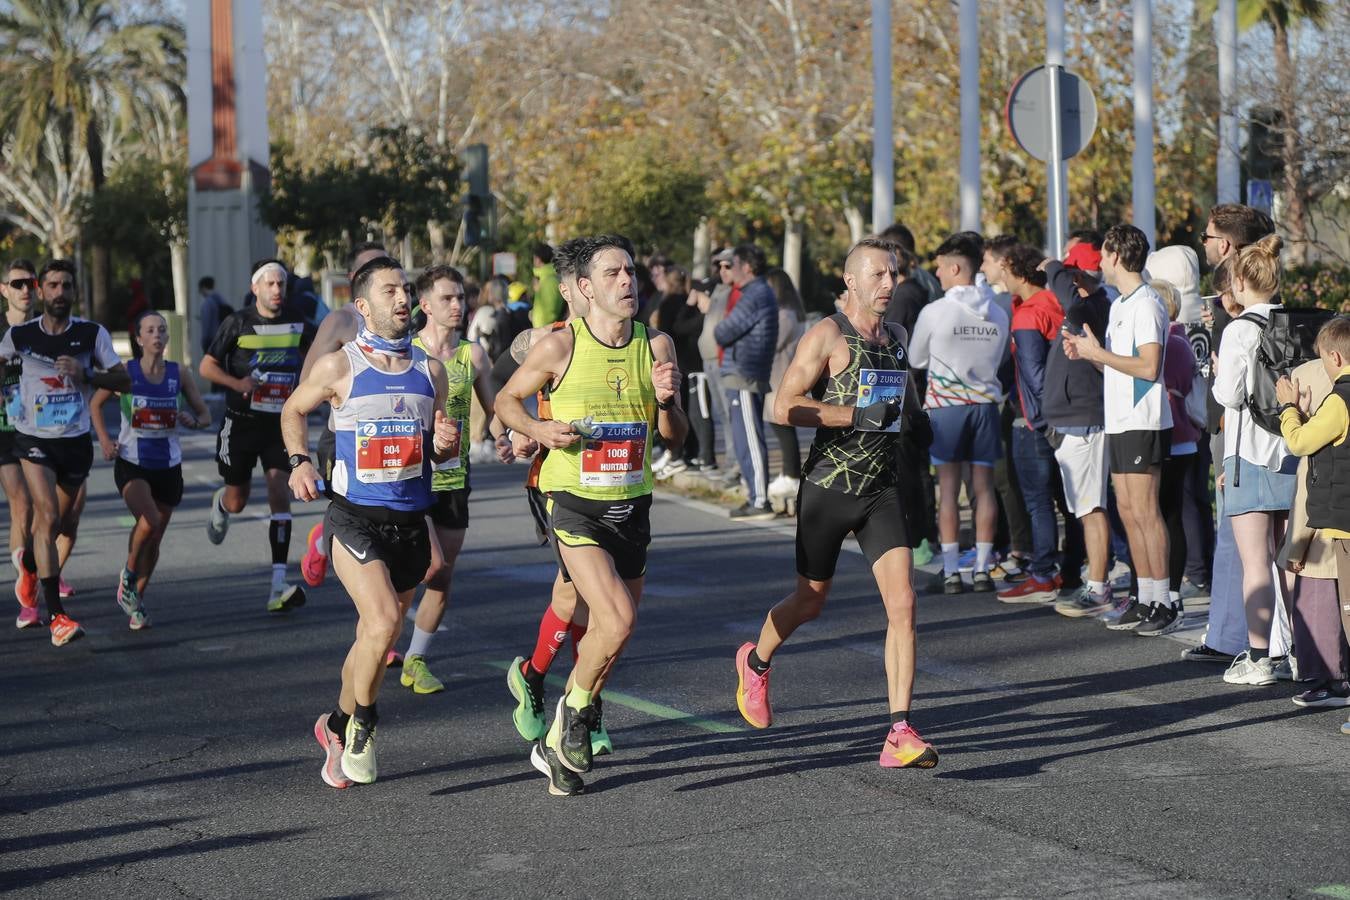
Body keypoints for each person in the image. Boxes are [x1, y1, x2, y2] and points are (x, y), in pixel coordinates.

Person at [734, 238, 937, 768]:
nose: (889, 284)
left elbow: (900, 394)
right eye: (878, 275)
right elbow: (783, 406)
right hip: (829, 488)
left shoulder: (896, 334)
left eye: (893, 274)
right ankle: (755, 662)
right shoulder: (827, 334)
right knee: (811, 601)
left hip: (881, 490)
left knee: (904, 605)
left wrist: (917, 417)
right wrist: (853, 416)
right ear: (851, 280)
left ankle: (899, 732)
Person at [496, 235, 687, 796]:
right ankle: (577, 710)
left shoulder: (658, 347)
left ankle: (557, 741)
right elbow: (507, 400)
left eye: (630, 271)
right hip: (573, 504)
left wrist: (670, 401)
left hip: (633, 503)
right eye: (612, 274)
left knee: (614, 634)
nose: (627, 281)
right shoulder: (559, 347)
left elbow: (676, 438)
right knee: (617, 618)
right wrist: (536, 429)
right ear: (585, 288)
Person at [283, 255, 459, 787]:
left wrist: (444, 447)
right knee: (383, 623)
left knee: (373, 641)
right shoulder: (341, 366)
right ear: (363, 306)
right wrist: (300, 461)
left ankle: (336, 724)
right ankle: (365, 722)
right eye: (389, 291)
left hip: (408, 520)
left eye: (405, 289)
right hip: (353, 517)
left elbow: (436, 452)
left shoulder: (432, 372)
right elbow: (293, 410)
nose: (402, 299)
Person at [0, 259, 128, 646]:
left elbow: (123, 379)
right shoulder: (20, 336)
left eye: (66, 286)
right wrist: (12, 403)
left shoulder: (92, 334)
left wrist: (86, 374)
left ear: (74, 292)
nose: (59, 292)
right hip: (32, 438)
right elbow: (3, 372)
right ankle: (56, 615)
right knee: (46, 513)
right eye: (52, 285)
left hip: (75, 441)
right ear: (41, 292)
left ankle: (29, 565)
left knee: (62, 524)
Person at [1063, 224, 1176, 633]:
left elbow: (1149, 367)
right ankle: (1144, 597)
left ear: (1115, 257)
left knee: (1146, 511)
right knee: (1127, 511)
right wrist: (1087, 354)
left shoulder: (1147, 303)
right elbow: (1116, 366)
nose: (1099, 263)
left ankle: (1163, 601)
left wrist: (1099, 353)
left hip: (1144, 418)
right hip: (1119, 419)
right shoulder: (1120, 304)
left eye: (1103, 255)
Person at [393, 264, 498, 694]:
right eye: (448, 299)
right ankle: (383, 630)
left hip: (453, 479)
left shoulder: (472, 355)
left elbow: (493, 411)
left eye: (461, 298)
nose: (458, 306)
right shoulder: (406, 351)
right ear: (425, 306)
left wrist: (506, 437)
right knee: (416, 568)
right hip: (409, 479)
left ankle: (414, 659)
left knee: (441, 573)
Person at [200, 258, 316, 613]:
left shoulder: (299, 321)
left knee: (280, 492)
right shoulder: (237, 322)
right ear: (256, 288)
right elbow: (207, 365)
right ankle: (222, 503)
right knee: (238, 500)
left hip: (280, 425)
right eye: (270, 284)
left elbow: (315, 358)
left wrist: (307, 385)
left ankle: (278, 584)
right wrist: (238, 383)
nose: (277, 290)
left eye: (281, 284)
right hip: (241, 422)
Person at [1212, 235, 1298, 685]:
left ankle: (1259, 656)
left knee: (1255, 565)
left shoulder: (1239, 330)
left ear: (1241, 281)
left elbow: (1227, 394)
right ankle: (1302, 651)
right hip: (1291, 451)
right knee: (1291, 560)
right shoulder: (1293, 324)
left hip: (1248, 455)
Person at [90, 311, 211, 628]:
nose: (157, 335)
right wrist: (105, 441)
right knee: (149, 519)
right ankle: (127, 577)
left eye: (161, 330)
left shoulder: (179, 373)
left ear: (167, 338)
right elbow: (95, 404)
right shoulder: (127, 373)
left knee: (154, 540)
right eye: (150, 330)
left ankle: (136, 601)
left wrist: (193, 421)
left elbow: (205, 415)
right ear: (139, 338)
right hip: (132, 462)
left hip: (168, 466)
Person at [910, 232, 1009, 593]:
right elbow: (1000, 359)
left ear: (955, 268)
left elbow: (917, 358)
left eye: (939, 268)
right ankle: (982, 568)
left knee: (949, 489)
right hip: (984, 405)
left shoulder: (935, 311)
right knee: (983, 489)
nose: (936, 275)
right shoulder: (998, 310)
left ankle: (952, 570)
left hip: (947, 408)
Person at [297, 242, 389, 590]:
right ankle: (324, 543)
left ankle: (325, 539)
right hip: (347, 436)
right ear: (354, 279)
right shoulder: (342, 320)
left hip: (397, 434)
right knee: (357, 517)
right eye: (370, 269)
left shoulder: (401, 319)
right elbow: (308, 382)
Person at [1277, 315, 1350, 732]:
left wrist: (1290, 409)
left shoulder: (1336, 399)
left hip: (1335, 521)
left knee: (1337, 604)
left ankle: (1327, 678)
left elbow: (1301, 443)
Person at [1042, 242, 1116, 618]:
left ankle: (1099, 587)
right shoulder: (1090, 304)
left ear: (1079, 275)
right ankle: (1097, 582)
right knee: (1086, 508)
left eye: (1072, 273)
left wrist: (1055, 269)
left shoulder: (1090, 305)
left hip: (1085, 421)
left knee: (1091, 508)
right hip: (1075, 420)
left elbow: (1071, 304)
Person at [994, 245, 1072, 604]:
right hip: (1067, 415)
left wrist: (1037, 419)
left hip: (1036, 420)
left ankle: (1042, 573)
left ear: (1016, 270)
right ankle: (1068, 569)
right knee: (1068, 501)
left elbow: (1034, 374)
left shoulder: (1028, 314)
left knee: (1039, 501)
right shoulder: (1057, 302)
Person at [715, 244, 778, 519]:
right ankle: (755, 495)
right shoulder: (756, 293)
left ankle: (761, 500)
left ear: (748, 266)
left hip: (746, 372)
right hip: (743, 372)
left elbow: (725, 331)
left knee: (749, 437)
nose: (732, 269)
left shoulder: (755, 295)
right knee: (743, 438)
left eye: (735, 263)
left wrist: (720, 329)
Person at [1, 259, 39, 627]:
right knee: (22, 503)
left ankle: (36, 562)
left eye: (30, 282)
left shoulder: (47, 328)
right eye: (17, 284)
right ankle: (26, 579)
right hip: (3, 429)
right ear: (4, 290)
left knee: (52, 511)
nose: (25, 289)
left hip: (42, 428)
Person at [763, 267, 805, 508]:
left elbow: (772, 342)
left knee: (782, 426)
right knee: (779, 426)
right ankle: (789, 473)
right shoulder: (787, 313)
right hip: (778, 375)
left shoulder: (785, 315)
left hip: (781, 376)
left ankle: (792, 475)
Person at [531, 243, 565, 328]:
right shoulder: (545, 278)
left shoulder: (549, 280)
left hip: (545, 331)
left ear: (538, 259)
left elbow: (550, 312)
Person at [197, 276, 232, 358]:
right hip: (223, 340)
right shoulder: (221, 300)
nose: (200, 292)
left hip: (211, 341)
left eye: (200, 289)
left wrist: (204, 343)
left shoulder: (207, 303)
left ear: (204, 288)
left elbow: (207, 325)